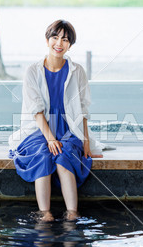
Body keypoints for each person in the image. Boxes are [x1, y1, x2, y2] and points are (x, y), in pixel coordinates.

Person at [8, 19, 103, 223]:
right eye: (55, 37)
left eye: (65, 39)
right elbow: (36, 111)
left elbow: (83, 109)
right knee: (43, 154)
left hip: (69, 128)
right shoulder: (32, 71)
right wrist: (50, 138)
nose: (59, 43)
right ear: (47, 39)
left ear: (70, 45)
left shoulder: (77, 71)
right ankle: (45, 214)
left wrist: (85, 140)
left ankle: (72, 213)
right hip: (39, 129)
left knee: (64, 155)